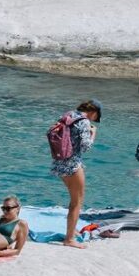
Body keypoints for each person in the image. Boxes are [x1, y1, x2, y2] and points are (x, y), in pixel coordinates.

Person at [49, 100, 101, 247]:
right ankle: (69, 239)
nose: (93, 119)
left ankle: (72, 231)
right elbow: (85, 147)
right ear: (93, 111)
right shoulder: (84, 121)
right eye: (95, 116)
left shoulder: (68, 115)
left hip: (59, 163)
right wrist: (93, 133)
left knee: (74, 200)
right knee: (77, 202)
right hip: (72, 165)